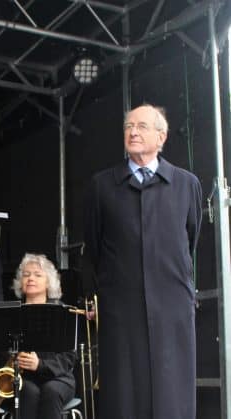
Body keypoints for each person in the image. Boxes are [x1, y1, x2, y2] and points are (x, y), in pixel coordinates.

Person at [83, 104, 202, 419]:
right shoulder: (102, 185)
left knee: (172, 391)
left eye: (142, 126)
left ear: (161, 137)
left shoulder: (186, 184)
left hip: (172, 306)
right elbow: (93, 246)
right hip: (121, 306)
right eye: (128, 126)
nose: (133, 132)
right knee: (123, 391)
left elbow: (190, 240)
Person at [0, 253, 76, 419]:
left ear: (49, 281)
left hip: (58, 378)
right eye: (26, 275)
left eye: (37, 274)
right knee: (28, 391)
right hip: (22, 380)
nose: (30, 278)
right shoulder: (10, 314)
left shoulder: (62, 312)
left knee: (51, 391)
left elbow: (69, 357)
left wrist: (40, 365)